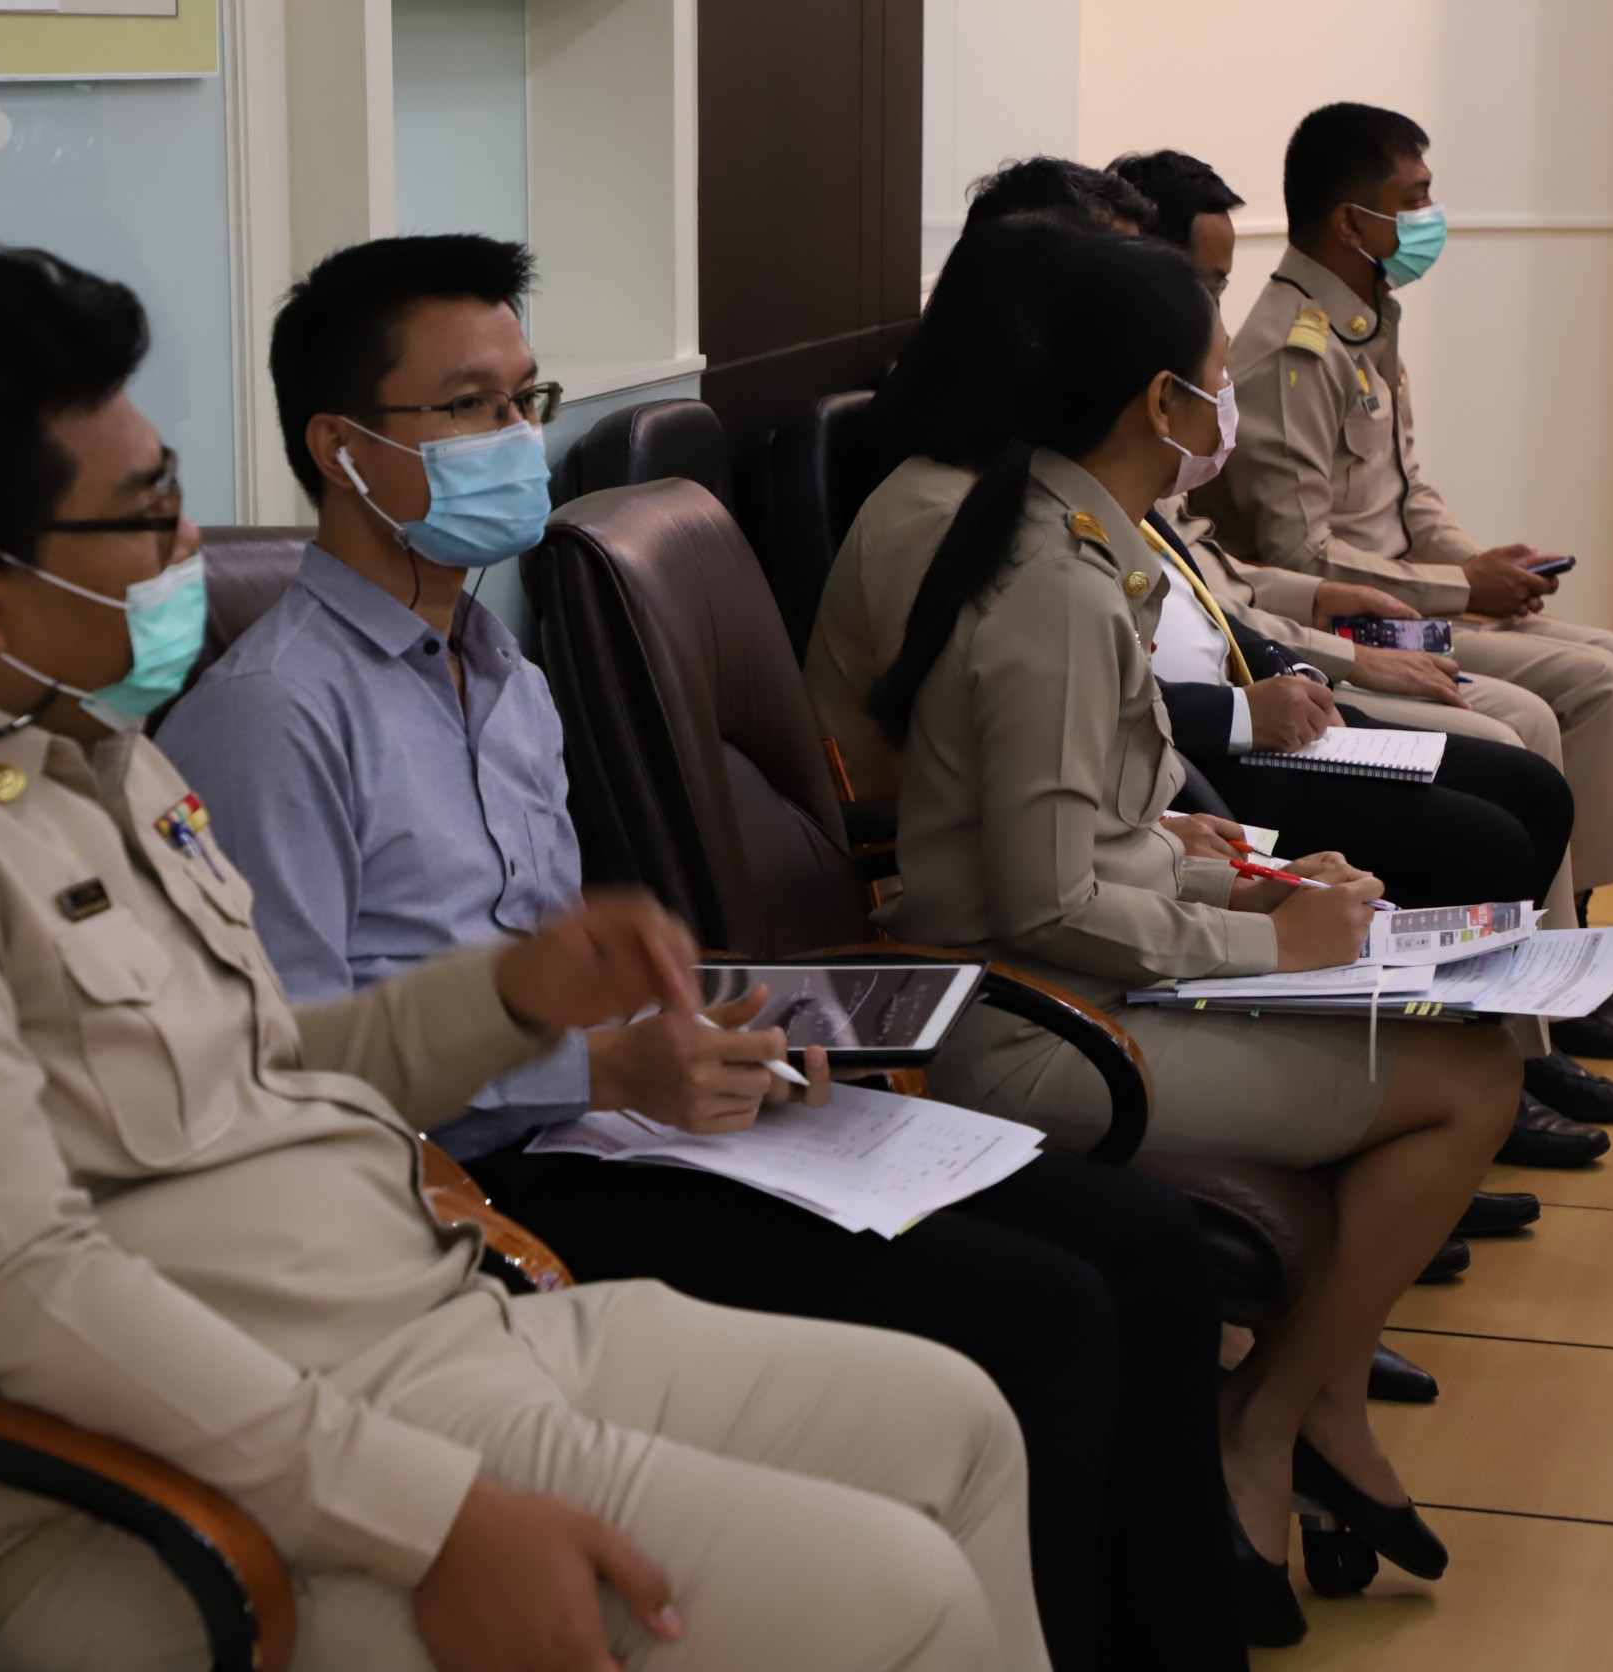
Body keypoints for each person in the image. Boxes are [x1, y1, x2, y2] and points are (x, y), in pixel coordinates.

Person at [0, 242, 1049, 1672]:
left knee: (959, 1427)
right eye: (147, 514)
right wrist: (432, 1519)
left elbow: (258, 1065)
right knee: (894, 1593)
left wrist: (506, 997)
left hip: (416, 1335)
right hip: (154, 1505)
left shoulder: (80, 755)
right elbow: (18, 1297)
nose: (189, 549)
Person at [157, 232, 1251, 1671]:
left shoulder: (499, 669)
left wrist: (717, 1027)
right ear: (341, 448)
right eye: (469, 406)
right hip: (490, 1185)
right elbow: (294, 1077)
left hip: (629, 1116)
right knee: (1042, 1316)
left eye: (527, 400)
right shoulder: (272, 719)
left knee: (1148, 1248)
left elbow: (554, 960)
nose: (516, 440)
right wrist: (599, 1068)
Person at [864, 224, 1521, 1644]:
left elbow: (1102, 836)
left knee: (1476, 1028)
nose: (1225, 412)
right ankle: (1272, 1421)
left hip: (1089, 970)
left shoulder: (1080, 545)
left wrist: (1260, 891)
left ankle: (1307, 1409)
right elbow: (1043, 902)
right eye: (1215, 381)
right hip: (1033, 1022)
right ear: (1158, 403)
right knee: (1470, 1077)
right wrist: (1279, 951)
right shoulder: (1052, 587)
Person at [811, 193, 1613, 1162]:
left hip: (1128, 869)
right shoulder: (1029, 559)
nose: (1224, 400)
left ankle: (1514, 1046)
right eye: (1213, 379)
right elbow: (1037, 864)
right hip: (1042, 982)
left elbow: (1090, 777)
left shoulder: (1068, 514)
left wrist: (1232, 880)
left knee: (1509, 779)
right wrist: (1267, 929)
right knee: (1470, 927)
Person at [1109, 147, 1613, 1132]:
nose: (1430, 216)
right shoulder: (1279, 352)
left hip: (1299, 639)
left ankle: (1562, 984)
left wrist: (1471, 569)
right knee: (1530, 720)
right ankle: (1517, 1041)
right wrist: (1437, 604)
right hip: (1291, 656)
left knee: (1608, 675)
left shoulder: (1363, 325)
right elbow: (1286, 564)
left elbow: (1401, 500)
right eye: (1415, 200)